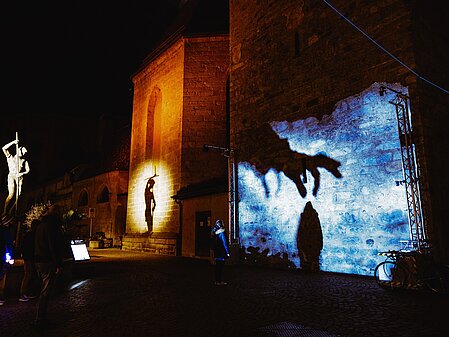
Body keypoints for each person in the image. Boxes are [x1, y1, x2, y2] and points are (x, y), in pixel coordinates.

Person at [34, 205, 64, 327]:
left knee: (43, 290)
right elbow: (53, 246)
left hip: (39, 261)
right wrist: (58, 263)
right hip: (47, 261)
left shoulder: (41, 225)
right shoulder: (52, 226)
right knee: (46, 292)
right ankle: (40, 319)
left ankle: (40, 317)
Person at [3, 139, 30, 216]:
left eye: (24, 153)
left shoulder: (24, 161)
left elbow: (28, 170)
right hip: (12, 175)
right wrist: (13, 142)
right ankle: (5, 210)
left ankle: (11, 211)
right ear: (18, 150)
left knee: (19, 197)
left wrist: (22, 173)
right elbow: (4, 148)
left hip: (19, 177)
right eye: (23, 152)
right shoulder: (10, 157)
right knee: (11, 194)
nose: (23, 154)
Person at [19, 219, 39, 302]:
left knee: (29, 274)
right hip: (30, 258)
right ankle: (23, 293)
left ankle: (27, 292)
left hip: (28, 257)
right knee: (28, 274)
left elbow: (22, 246)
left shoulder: (27, 235)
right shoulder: (33, 235)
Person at [211, 219, 230, 286]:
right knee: (220, 267)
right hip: (222, 252)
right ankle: (219, 281)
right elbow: (224, 243)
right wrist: (227, 252)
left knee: (217, 267)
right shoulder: (222, 233)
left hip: (217, 252)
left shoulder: (215, 233)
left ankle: (217, 280)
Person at [0, 217, 14, 306]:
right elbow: (8, 244)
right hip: (1, 256)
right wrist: (10, 257)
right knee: (1, 276)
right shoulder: (5, 231)